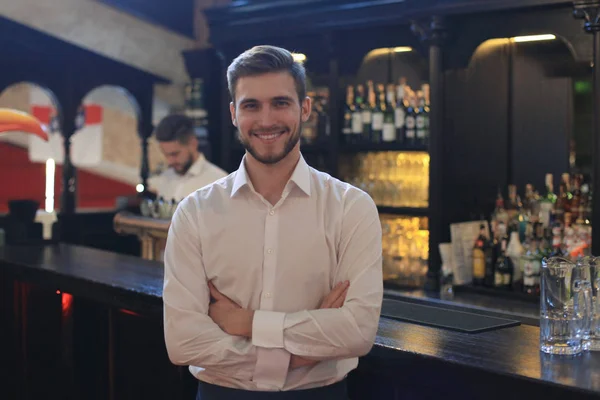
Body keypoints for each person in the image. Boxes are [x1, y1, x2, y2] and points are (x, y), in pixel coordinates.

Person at [163, 45, 383, 400]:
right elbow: (184, 341)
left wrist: (245, 323)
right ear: (234, 113)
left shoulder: (351, 208)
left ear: (305, 108)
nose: (266, 120)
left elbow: (357, 332)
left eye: (280, 103)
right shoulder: (194, 212)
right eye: (252, 105)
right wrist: (301, 350)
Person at [149, 114, 227, 201]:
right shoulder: (165, 177)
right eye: (166, 154)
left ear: (193, 144)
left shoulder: (218, 182)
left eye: (174, 154)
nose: (169, 161)